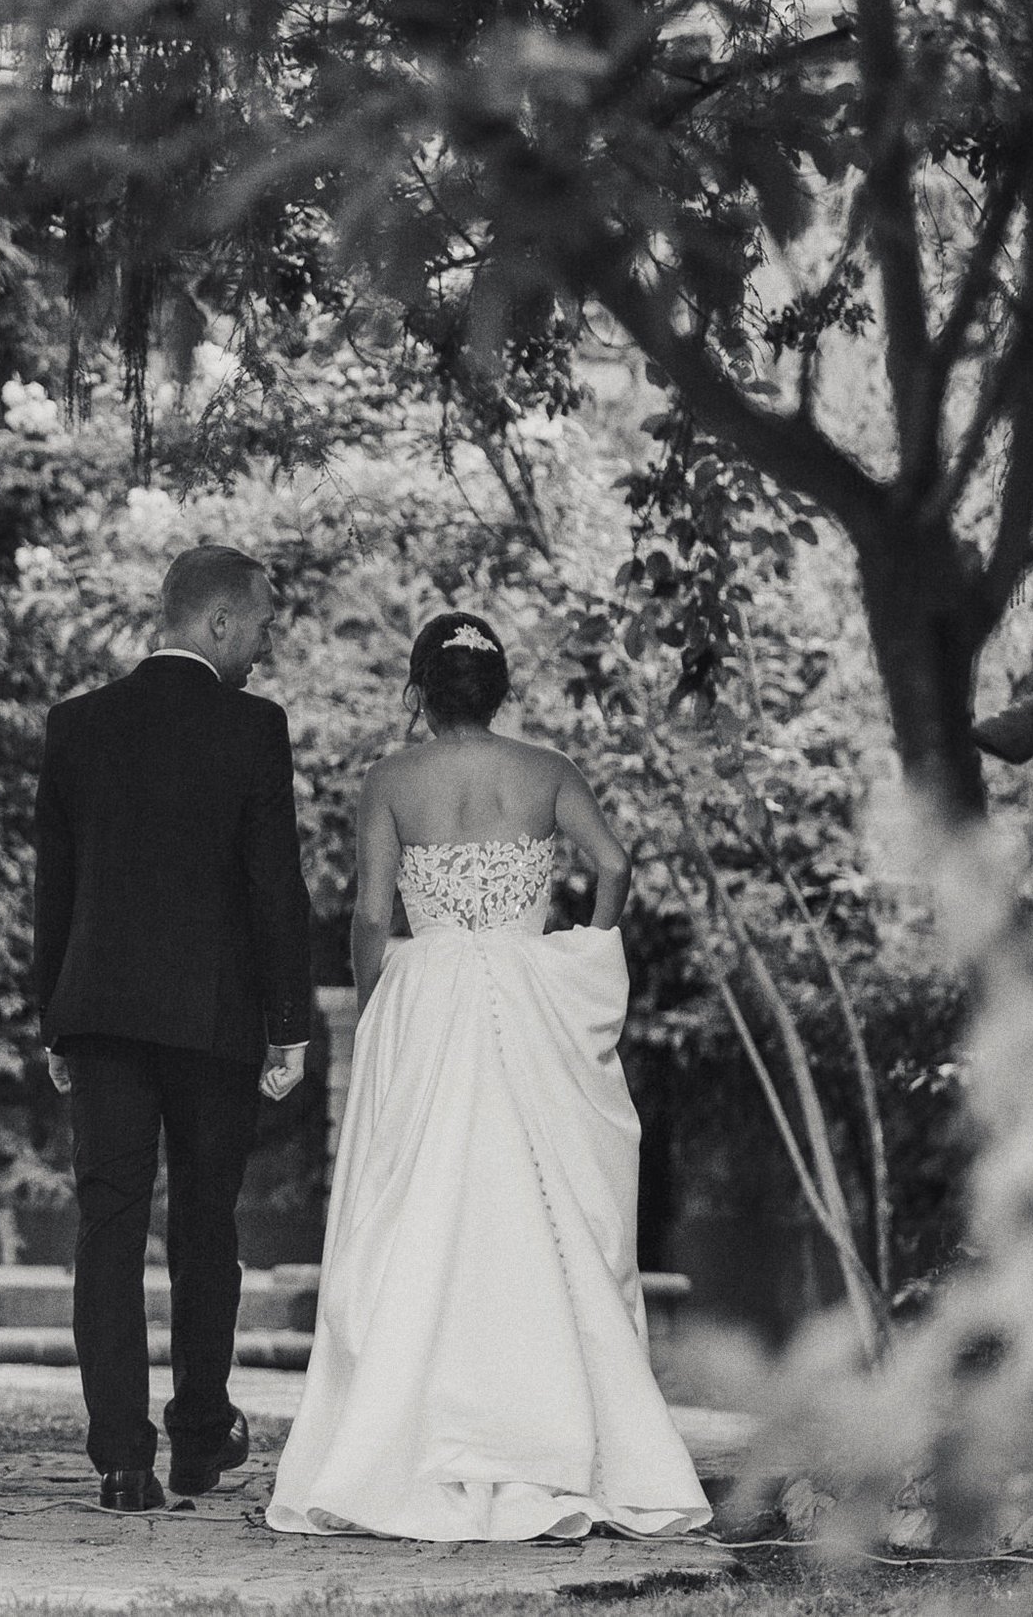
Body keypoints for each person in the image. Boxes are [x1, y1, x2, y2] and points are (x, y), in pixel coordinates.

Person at [266, 612, 709, 1542]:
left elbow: (370, 914)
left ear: (419, 691)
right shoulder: (549, 770)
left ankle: (408, 1438)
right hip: (525, 987)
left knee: (420, 1207)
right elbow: (615, 862)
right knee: (541, 1206)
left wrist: (378, 996)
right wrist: (580, 949)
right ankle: (555, 1435)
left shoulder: (391, 779)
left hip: (428, 994)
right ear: (499, 689)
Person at [32, 545, 314, 1514]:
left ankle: (121, 1459)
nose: (266, 644)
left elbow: (55, 887)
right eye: (263, 623)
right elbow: (273, 881)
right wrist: (287, 1022)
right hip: (213, 1016)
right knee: (205, 1222)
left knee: (108, 1227)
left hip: (102, 1014)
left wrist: (53, 1019)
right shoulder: (253, 726)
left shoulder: (77, 724)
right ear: (219, 620)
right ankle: (198, 1435)